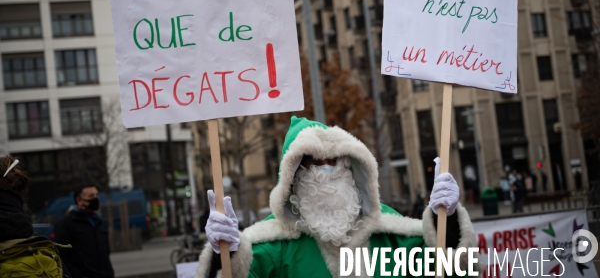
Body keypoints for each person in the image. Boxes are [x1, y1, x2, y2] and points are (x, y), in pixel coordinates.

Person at [196, 117, 478, 277]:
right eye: (313, 163)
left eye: (336, 161)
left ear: (353, 166)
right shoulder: (272, 247)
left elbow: (450, 268)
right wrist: (226, 255)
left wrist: (448, 220)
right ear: (292, 177)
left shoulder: (392, 232)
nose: (326, 170)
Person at [54, 184, 114, 278]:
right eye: (91, 196)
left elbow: (105, 252)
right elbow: (60, 255)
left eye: (96, 195)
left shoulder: (98, 221)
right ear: (79, 200)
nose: (96, 198)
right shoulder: (66, 223)